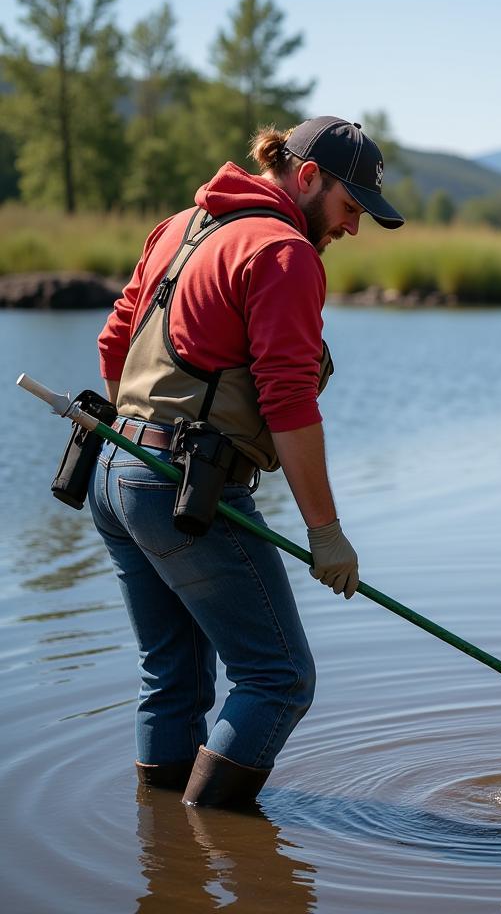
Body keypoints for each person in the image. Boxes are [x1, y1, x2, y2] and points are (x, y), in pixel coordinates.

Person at [89, 116, 404, 808]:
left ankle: (166, 858)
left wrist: (140, 441)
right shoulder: (286, 253)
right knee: (280, 677)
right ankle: (208, 838)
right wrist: (325, 531)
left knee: (171, 677)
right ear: (308, 177)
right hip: (182, 488)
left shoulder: (178, 226)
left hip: (114, 476)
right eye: (352, 208)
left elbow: (115, 343)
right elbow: (289, 401)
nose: (353, 229)